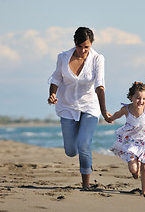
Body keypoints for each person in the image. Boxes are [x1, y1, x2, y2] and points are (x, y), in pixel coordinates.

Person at [47, 27, 112, 190]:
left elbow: (100, 85)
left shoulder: (97, 59)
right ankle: (81, 153)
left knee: (84, 144)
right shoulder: (63, 57)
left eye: (86, 47)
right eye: (79, 46)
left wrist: (104, 111)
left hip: (90, 106)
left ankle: (86, 184)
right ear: (75, 43)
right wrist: (52, 94)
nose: (83, 50)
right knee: (70, 151)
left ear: (91, 44)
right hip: (67, 106)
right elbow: (55, 79)